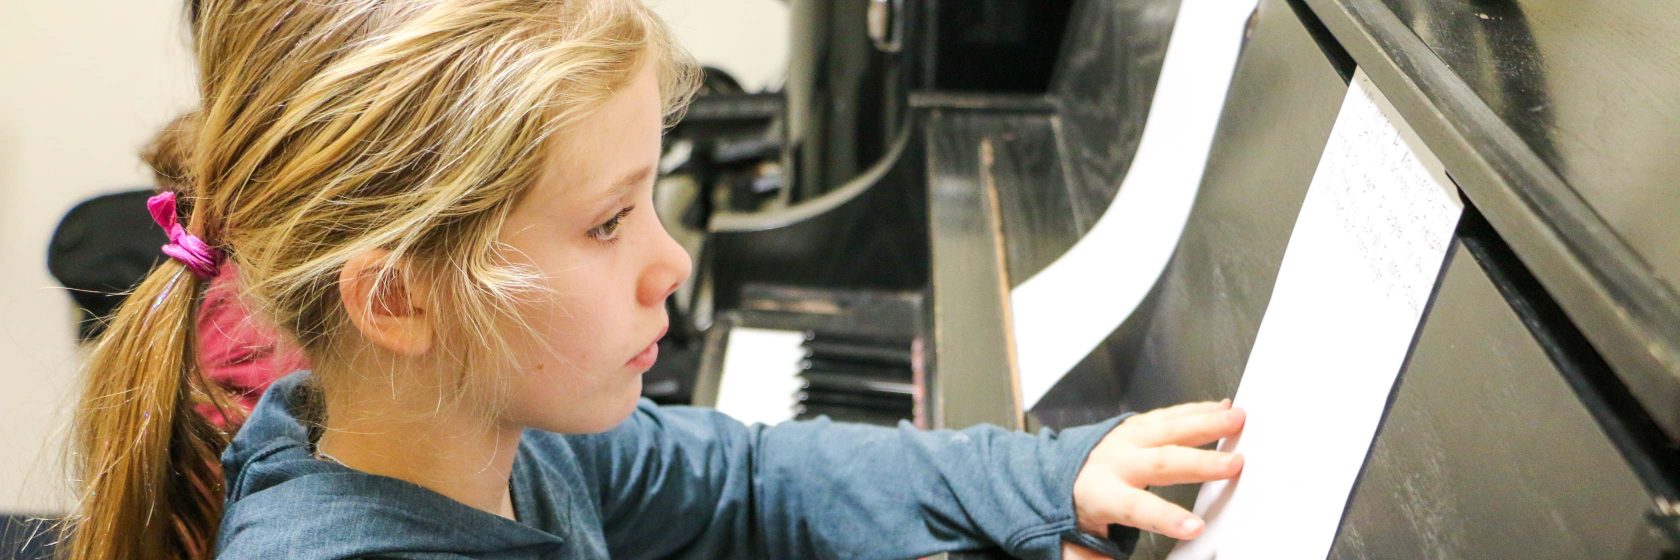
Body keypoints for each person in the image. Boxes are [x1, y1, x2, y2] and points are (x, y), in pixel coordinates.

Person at [64, 1, 1246, 558]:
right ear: (403, 298)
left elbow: (743, 478)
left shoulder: (489, 438)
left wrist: (1043, 473)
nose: (669, 261)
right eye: (610, 221)